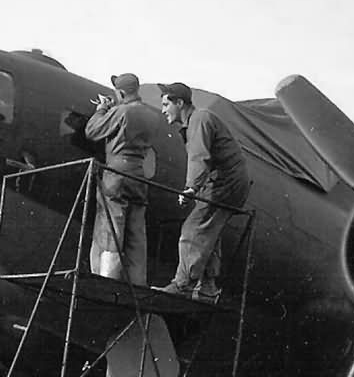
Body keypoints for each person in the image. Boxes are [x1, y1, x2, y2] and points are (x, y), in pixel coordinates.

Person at [156, 83, 251, 301]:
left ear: (179, 103)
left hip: (224, 183)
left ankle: (183, 285)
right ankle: (207, 286)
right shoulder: (196, 121)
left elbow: (200, 156)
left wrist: (191, 187)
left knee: (194, 227)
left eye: (165, 104)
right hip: (228, 182)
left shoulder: (199, 119)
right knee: (210, 229)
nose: (162, 110)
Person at [84, 73, 163, 285]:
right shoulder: (152, 115)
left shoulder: (122, 112)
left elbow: (92, 131)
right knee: (136, 234)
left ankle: (106, 281)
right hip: (139, 174)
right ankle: (138, 284)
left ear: (120, 92)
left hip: (117, 172)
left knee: (112, 228)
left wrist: (102, 109)